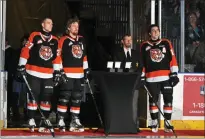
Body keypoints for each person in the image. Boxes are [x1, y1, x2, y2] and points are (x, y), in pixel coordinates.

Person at [16, 18, 60, 133]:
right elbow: (26, 50)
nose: (51, 25)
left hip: (48, 74)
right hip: (33, 72)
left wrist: (58, 71)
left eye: (52, 23)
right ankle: (31, 118)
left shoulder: (55, 40)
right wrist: (21, 65)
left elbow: (56, 58)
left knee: (46, 98)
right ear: (42, 24)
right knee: (33, 96)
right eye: (48, 22)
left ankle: (44, 120)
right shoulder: (35, 35)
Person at [140, 24, 179, 133]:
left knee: (168, 100)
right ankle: (154, 122)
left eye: (157, 30)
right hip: (151, 78)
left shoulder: (166, 43)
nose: (156, 32)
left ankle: (168, 122)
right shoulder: (144, 46)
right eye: (153, 31)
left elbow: (173, 58)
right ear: (149, 33)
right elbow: (142, 63)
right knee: (153, 101)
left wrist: (174, 73)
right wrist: (142, 76)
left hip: (166, 77)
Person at [54, 17, 89, 132]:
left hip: (79, 74)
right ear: (68, 27)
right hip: (67, 73)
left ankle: (75, 120)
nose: (76, 28)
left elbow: (84, 56)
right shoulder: (63, 39)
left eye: (77, 26)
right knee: (64, 97)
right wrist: (60, 71)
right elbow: (58, 56)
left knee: (77, 98)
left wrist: (86, 69)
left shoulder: (82, 39)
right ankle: (61, 120)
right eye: (74, 26)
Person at [113, 34, 142, 132]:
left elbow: (140, 68)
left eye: (130, 40)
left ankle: (134, 126)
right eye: (127, 40)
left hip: (134, 84)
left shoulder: (136, 54)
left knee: (134, 106)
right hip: (122, 85)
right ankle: (122, 124)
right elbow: (116, 68)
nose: (129, 42)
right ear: (122, 41)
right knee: (122, 104)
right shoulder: (117, 54)